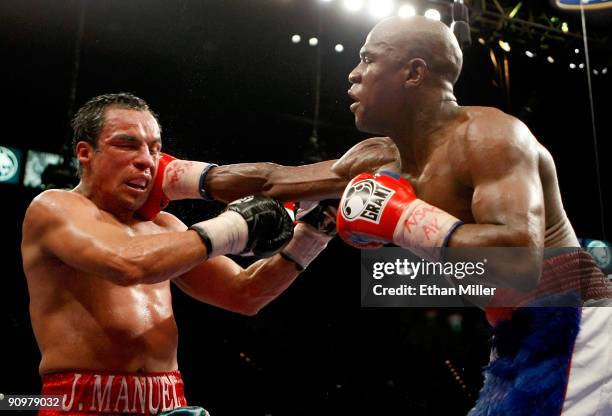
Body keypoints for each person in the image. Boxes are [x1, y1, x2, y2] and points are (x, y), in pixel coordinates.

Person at [138, 16, 612, 416]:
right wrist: (170, 176)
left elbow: (517, 259)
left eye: (367, 59)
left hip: (576, 320)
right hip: (516, 337)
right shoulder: (375, 158)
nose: (352, 74)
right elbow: (273, 181)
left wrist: (403, 216)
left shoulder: (491, 137)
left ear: (414, 73)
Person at [21, 93, 336, 415]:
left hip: (169, 399)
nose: (146, 160)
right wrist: (235, 225)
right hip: (80, 401)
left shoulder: (166, 226)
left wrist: (312, 235)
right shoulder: (55, 208)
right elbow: (127, 263)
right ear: (85, 153)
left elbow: (244, 294)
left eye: (154, 148)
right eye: (127, 145)